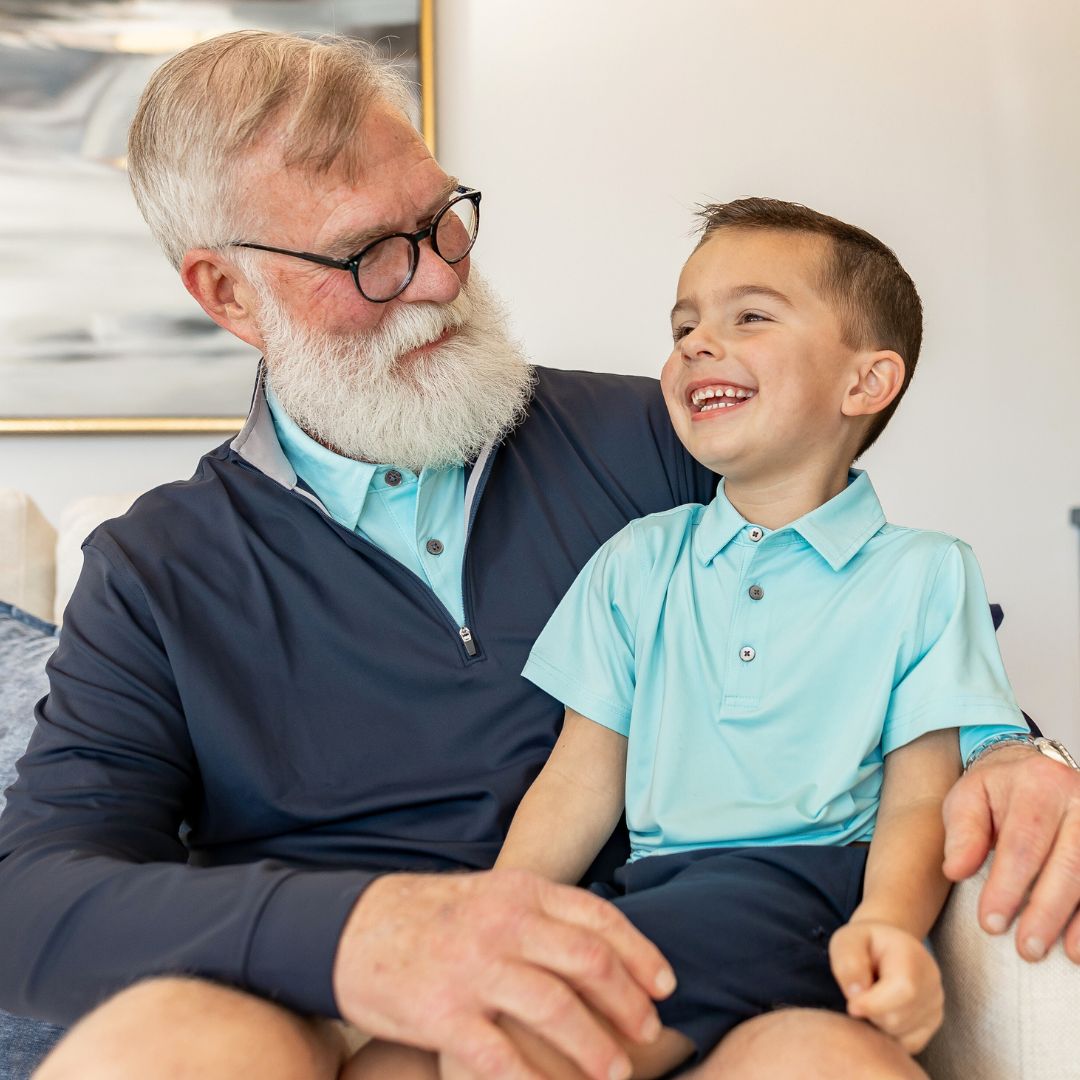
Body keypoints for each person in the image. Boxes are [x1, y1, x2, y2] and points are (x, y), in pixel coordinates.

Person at [0, 30, 1077, 1080]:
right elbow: (32, 898)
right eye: (370, 254)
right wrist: (360, 938)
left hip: (666, 979)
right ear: (231, 294)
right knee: (175, 1054)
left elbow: (894, 655)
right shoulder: (156, 567)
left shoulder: (662, 441)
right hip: (322, 1013)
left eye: (443, 221)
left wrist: (1020, 763)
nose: (434, 280)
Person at [328, 199, 1031, 1080]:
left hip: (800, 897)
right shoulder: (638, 560)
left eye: (750, 316)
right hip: (652, 897)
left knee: (485, 1055)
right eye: (684, 323)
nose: (698, 342)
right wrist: (493, 916)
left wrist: (889, 926)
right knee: (393, 1060)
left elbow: (921, 798)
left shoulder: (926, 574)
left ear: (865, 383)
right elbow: (580, 779)